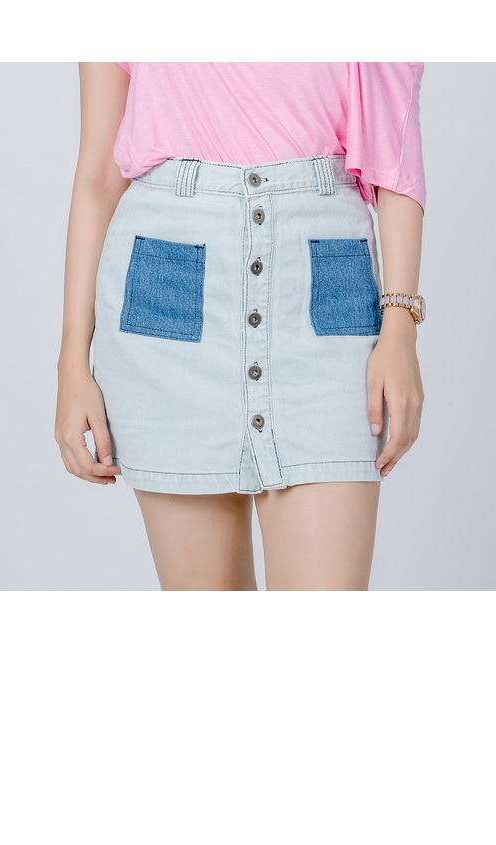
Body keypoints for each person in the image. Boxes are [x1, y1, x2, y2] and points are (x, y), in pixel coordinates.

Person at [55, 63, 426, 591]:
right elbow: (97, 176)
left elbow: (395, 156)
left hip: (321, 277)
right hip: (168, 280)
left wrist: (401, 325)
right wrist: (72, 363)